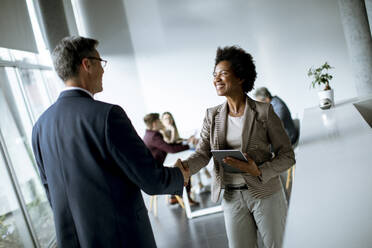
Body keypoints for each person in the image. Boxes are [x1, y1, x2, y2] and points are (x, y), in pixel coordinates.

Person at [31, 36, 189, 248]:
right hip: (120, 237)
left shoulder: (40, 126)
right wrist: (180, 175)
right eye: (100, 62)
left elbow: (51, 191)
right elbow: (150, 179)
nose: (103, 70)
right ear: (87, 64)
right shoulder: (107, 116)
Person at [181, 46, 295, 248]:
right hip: (232, 196)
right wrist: (185, 167)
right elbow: (203, 153)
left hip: (266, 193)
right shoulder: (212, 115)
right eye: (214, 75)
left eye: (223, 74)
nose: (216, 79)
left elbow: (287, 155)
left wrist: (258, 170)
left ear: (241, 77)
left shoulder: (264, 112)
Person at [143, 113, 199, 205]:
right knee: (185, 169)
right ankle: (185, 198)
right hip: (157, 172)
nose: (161, 122)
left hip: (157, 168)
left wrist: (186, 144)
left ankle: (176, 197)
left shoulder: (150, 134)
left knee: (183, 167)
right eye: (159, 121)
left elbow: (169, 146)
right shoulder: (153, 136)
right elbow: (171, 149)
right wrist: (189, 146)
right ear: (154, 124)